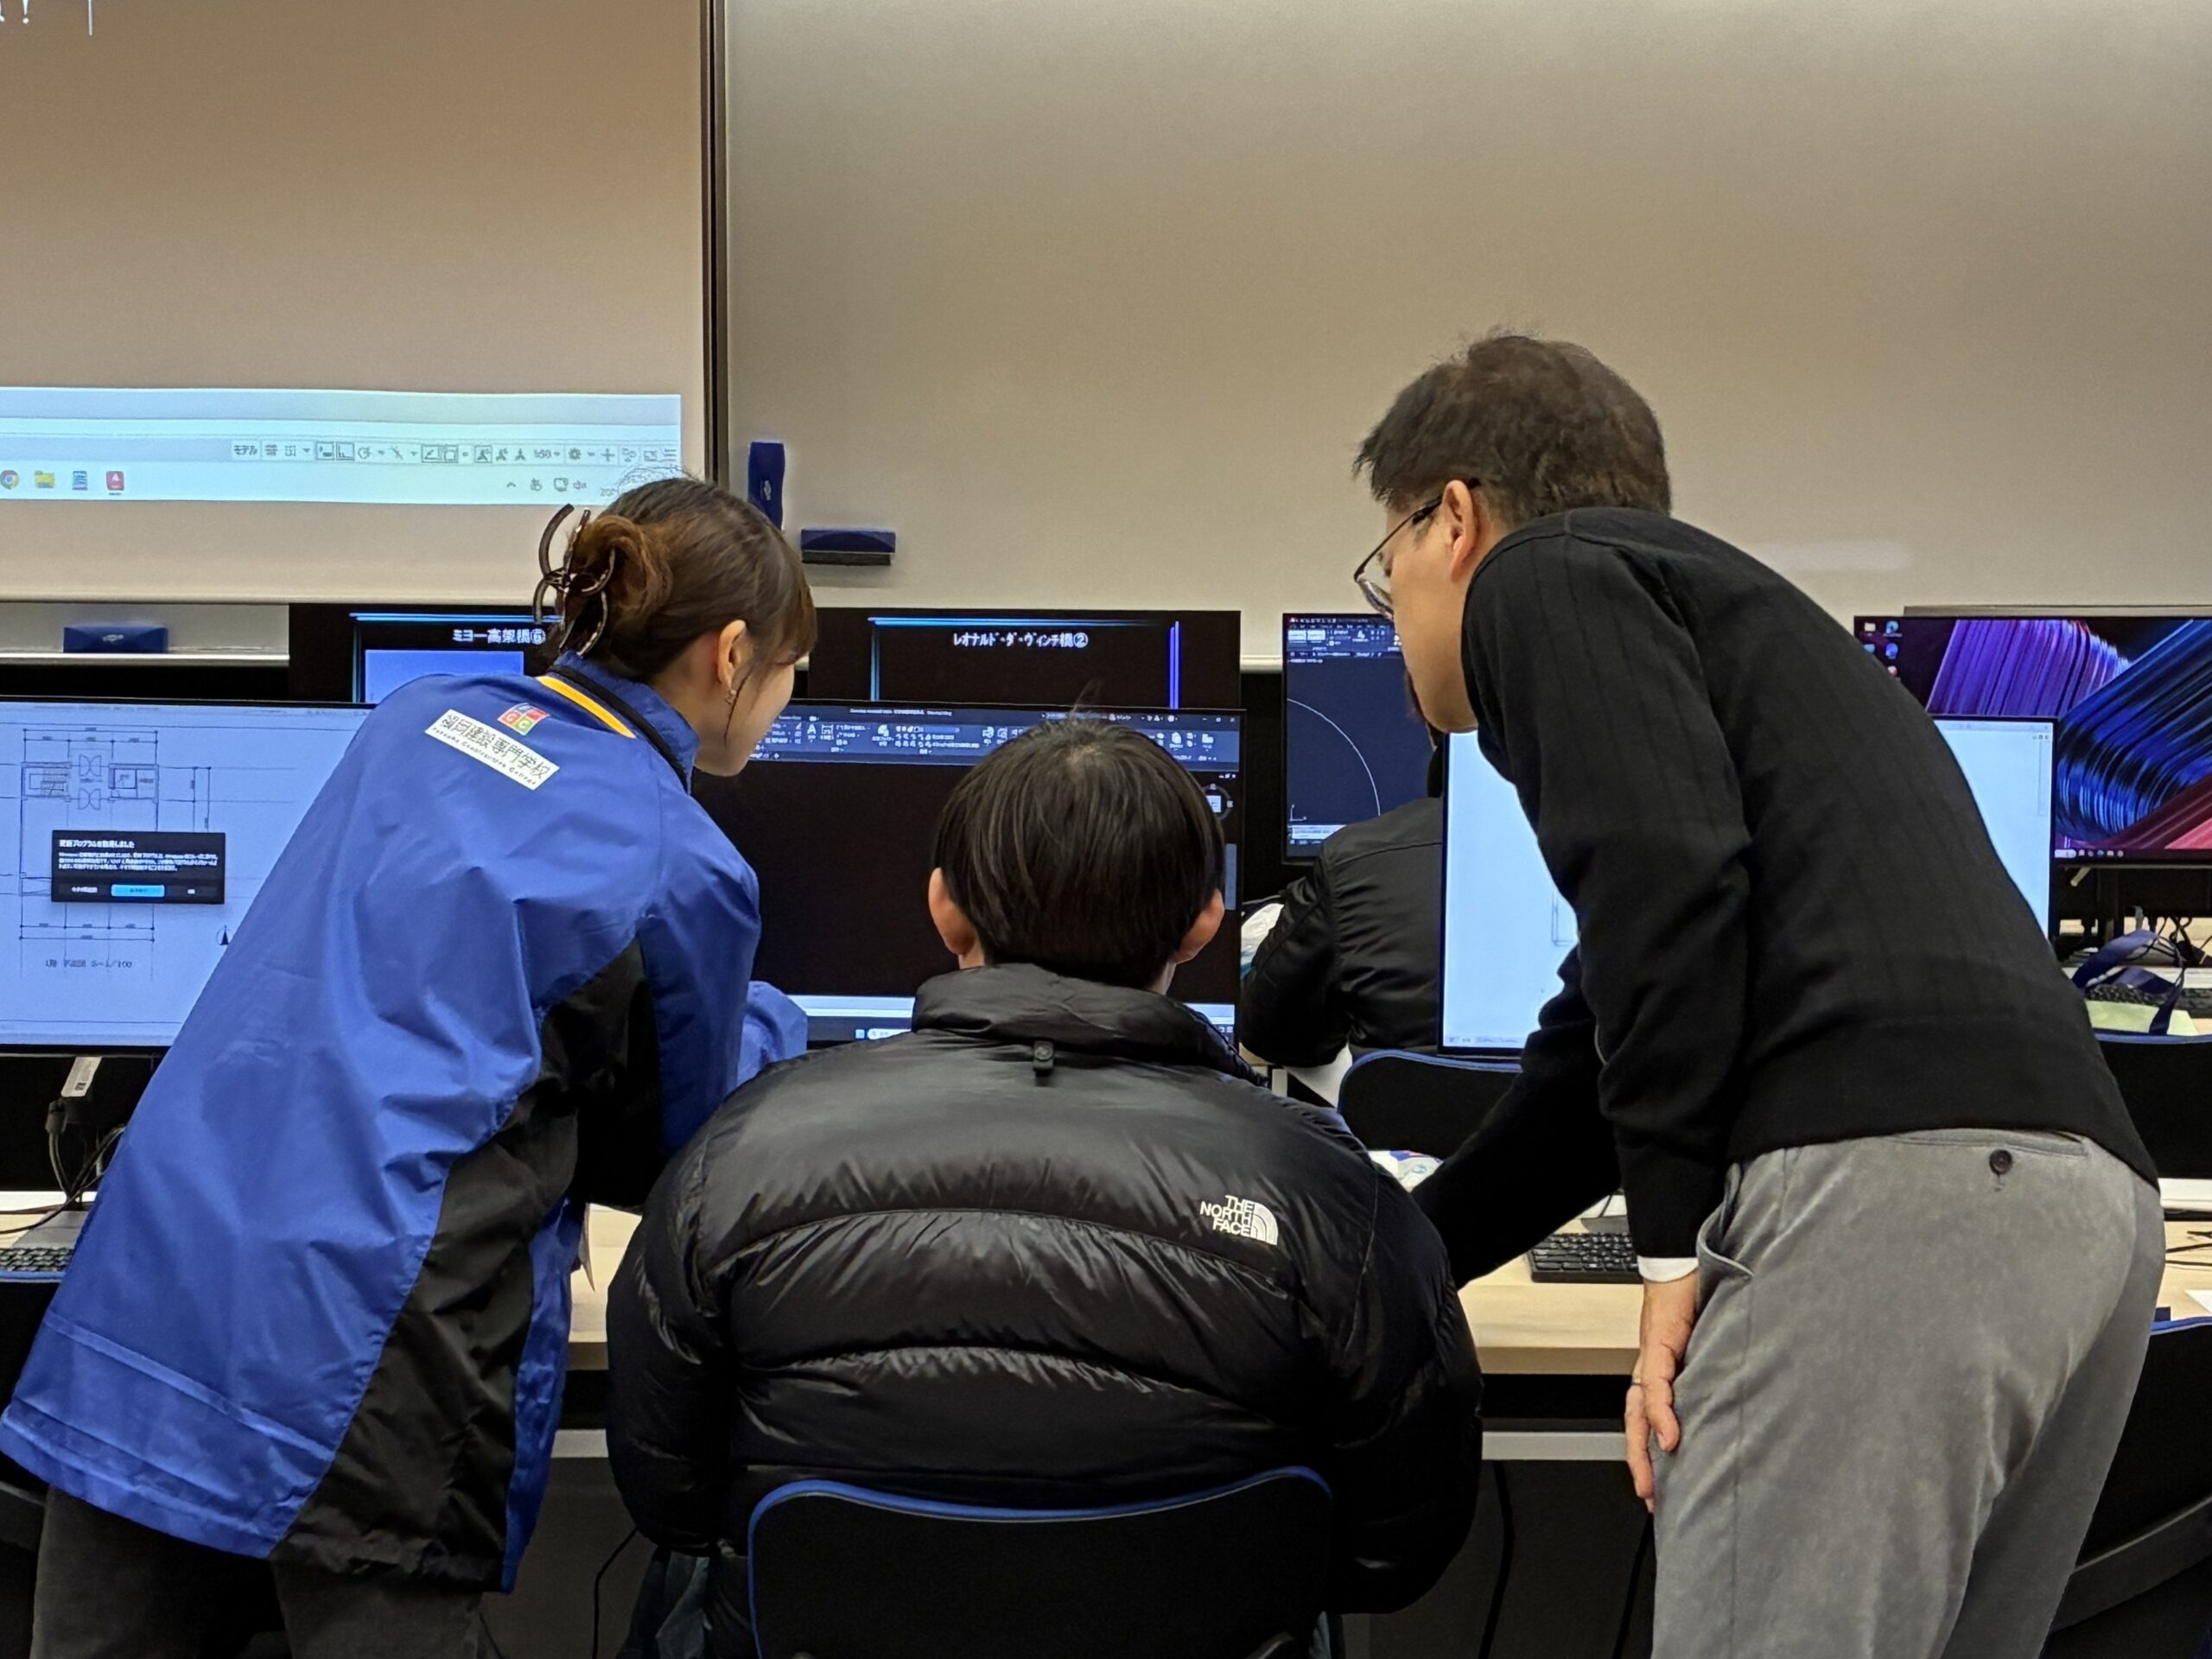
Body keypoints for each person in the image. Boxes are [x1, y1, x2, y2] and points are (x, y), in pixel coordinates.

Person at [1356, 332, 2163, 1659]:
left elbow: (1666, 889)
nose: (1389, 604)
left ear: (1455, 518)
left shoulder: (1539, 577)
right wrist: (1390, 1264)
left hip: (1892, 1203)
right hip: (2085, 1213)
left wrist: (1671, 1252)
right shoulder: (1741, 633)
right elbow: (1603, 1047)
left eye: (1384, 557)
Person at [0, 478, 817, 1658]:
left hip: (157, 1284)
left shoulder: (417, 716)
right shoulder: (681, 859)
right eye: (789, 671)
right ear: (732, 655)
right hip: (357, 1344)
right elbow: (678, 1154)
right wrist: (771, 1026)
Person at [605, 719, 1483, 1656]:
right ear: (1205, 921)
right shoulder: (1332, 1194)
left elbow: (670, 1497)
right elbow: (1396, 1550)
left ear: (945, 910)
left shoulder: (736, 1156)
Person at [1243, 696, 1444, 1066]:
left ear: (1432, 728)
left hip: (1402, 1104)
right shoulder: (1564, 848)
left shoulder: (1354, 862)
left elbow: (1273, 1036)